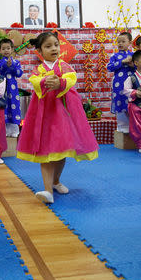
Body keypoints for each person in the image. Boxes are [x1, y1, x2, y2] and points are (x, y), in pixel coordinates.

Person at [17, 32, 99, 204]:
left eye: (55, 45)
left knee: (61, 150)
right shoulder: (39, 69)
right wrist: (45, 82)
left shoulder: (64, 66)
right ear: (39, 51)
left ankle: (55, 181)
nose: (54, 48)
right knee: (46, 151)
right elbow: (34, 80)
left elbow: (71, 78)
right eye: (48, 46)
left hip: (63, 114)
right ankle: (47, 190)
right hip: (44, 115)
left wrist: (60, 83)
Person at [107, 31, 136, 133]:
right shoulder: (114, 56)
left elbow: (139, 67)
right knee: (119, 102)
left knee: (131, 103)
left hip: (132, 84)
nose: (120, 44)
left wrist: (132, 64)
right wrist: (122, 62)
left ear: (130, 43)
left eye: (123, 41)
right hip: (118, 84)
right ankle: (122, 128)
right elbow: (109, 67)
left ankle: (134, 127)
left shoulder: (133, 55)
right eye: (118, 42)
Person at [0, 38, 23, 137]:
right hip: (1, 89)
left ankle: (14, 130)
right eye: (3, 48)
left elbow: (19, 73)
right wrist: (5, 65)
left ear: (12, 49)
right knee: (3, 107)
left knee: (13, 105)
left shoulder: (16, 62)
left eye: (8, 48)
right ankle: (3, 130)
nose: (6, 50)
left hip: (13, 89)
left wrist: (12, 66)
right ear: (0, 50)